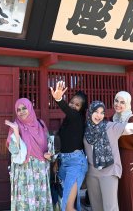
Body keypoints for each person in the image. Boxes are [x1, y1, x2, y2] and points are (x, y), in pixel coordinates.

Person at [5, 98, 53, 211]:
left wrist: (47, 154)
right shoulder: (15, 126)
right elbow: (14, 150)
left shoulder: (41, 124)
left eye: (24, 108)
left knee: (39, 197)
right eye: (18, 110)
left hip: (40, 169)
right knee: (25, 199)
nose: (21, 112)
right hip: (23, 169)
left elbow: (48, 145)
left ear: (30, 108)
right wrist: (16, 132)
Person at [50, 81, 88, 211]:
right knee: (67, 203)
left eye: (77, 105)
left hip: (76, 163)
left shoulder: (77, 118)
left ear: (81, 109)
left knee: (67, 206)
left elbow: (69, 111)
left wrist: (59, 99)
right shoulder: (67, 121)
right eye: (71, 102)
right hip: (64, 162)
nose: (72, 106)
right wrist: (57, 161)